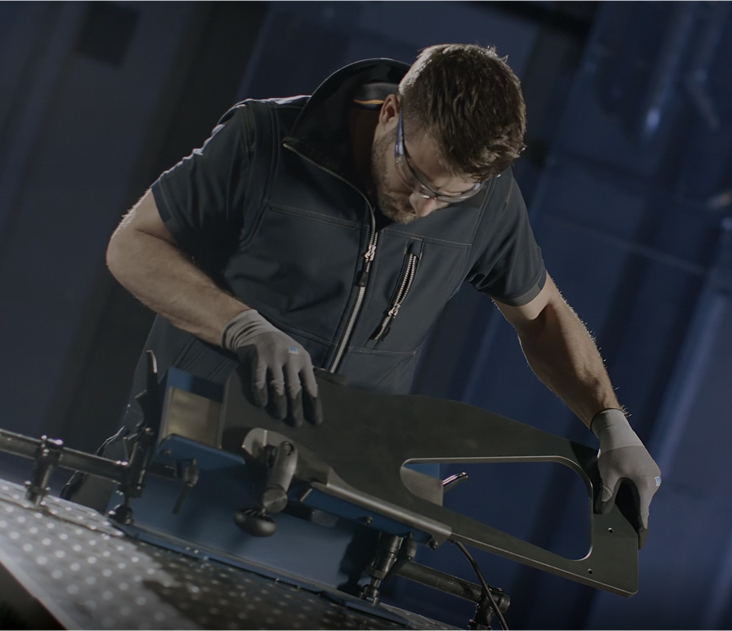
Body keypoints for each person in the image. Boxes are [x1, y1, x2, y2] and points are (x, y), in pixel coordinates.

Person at [72, 44, 661, 546]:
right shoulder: (264, 141)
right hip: (173, 466)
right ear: (390, 112)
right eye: (417, 178)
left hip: (328, 515)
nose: (424, 207)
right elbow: (133, 246)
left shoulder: (489, 202)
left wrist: (610, 422)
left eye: (451, 197)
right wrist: (241, 326)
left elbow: (544, 314)